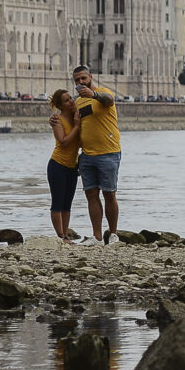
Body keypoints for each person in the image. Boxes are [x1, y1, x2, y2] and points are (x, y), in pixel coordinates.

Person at [72, 66, 121, 243]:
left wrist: (93, 95)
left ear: (90, 77)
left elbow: (109, 100)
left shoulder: (103, 93)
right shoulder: (78, 103)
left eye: (83, 78)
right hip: (87, 155)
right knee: (91, 195)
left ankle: (113, 234)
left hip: (108, 153)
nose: (80, 83)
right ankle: (97, 237)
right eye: (77, 80)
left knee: (109, 194)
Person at [47, 88, 82, 241]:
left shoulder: (78, 115)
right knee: (57, 203)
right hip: (58, 165)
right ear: (61, 105)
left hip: (72, 167)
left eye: (71, 98)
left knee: (67, 204)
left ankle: (65, 235)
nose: (71, 101)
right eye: (67, 100)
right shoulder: (57, 120)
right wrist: (77, 126)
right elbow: (64, 141)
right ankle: (60, 236)